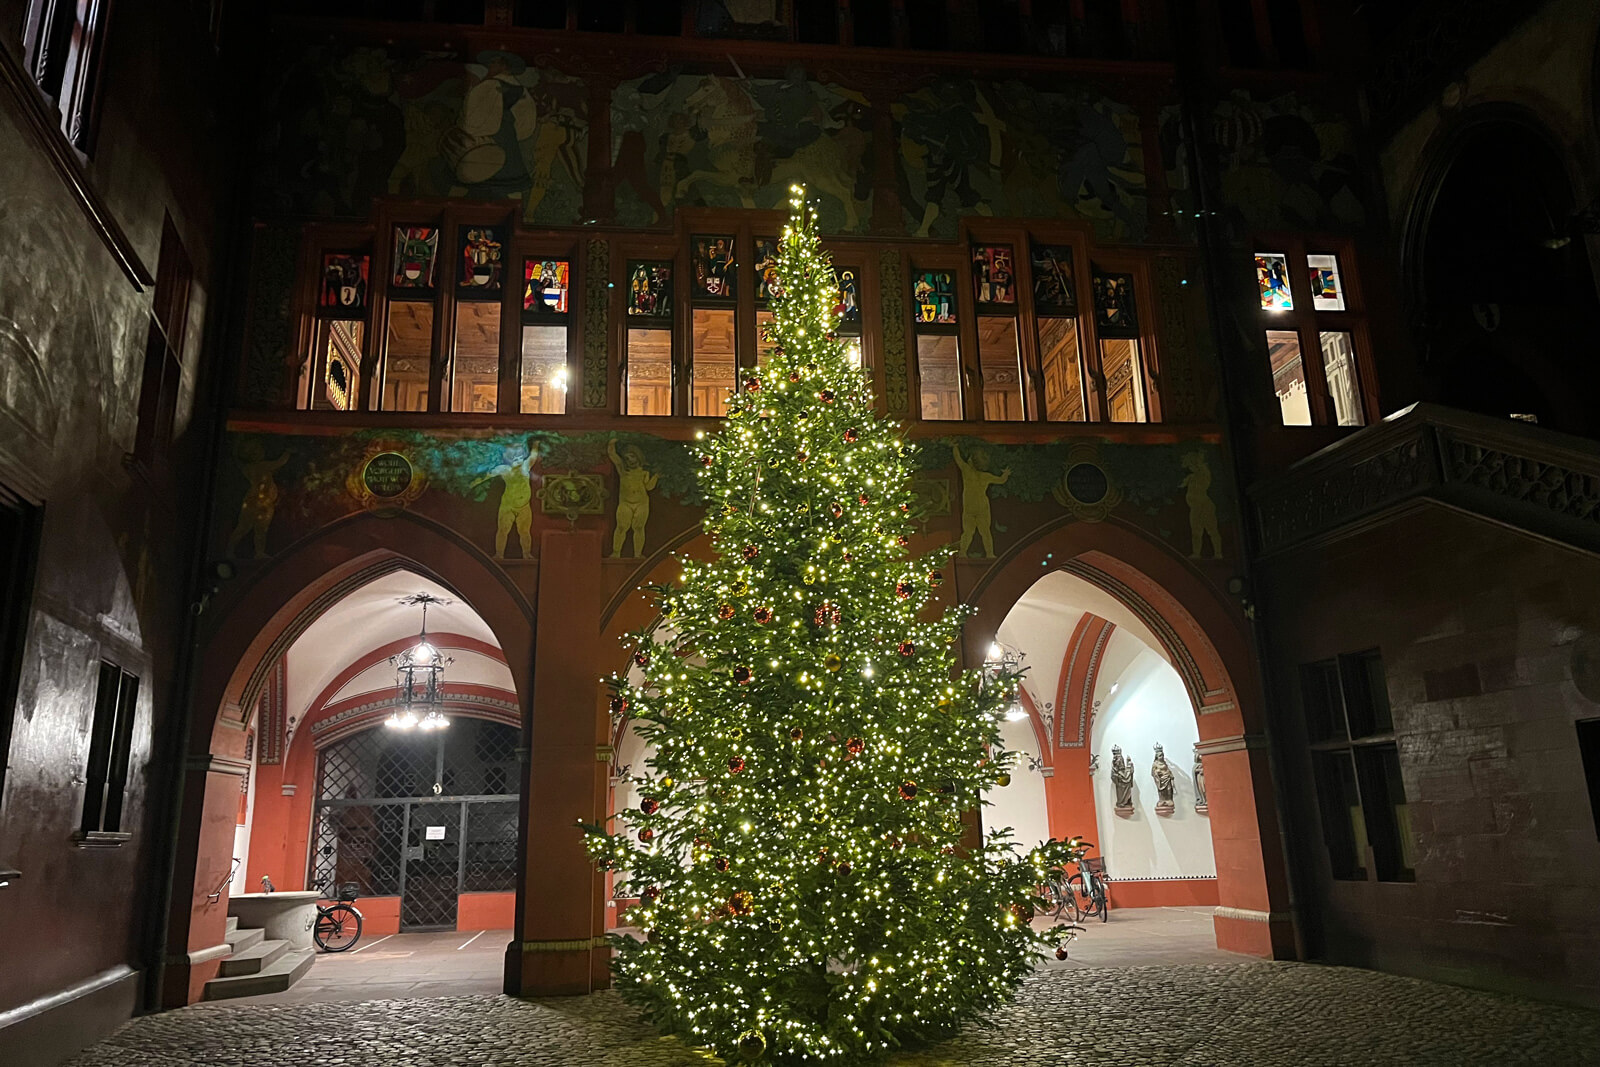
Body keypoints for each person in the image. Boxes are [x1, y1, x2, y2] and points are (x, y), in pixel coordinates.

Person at [471, 440, 538, 559]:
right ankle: (499, 554)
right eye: (514, 456)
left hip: (524, 506)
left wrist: (536, 444)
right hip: (508, 505)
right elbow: (485, 476)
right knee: (502, 530)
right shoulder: (504, 470)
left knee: (524, 532)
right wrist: (471, 484)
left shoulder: (525, 466)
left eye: (520, 455)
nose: (518, 458)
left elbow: (534, 455)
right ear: (508, 458)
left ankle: (526, 554)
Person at [952, 444, 1009, 558]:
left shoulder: (967, 471)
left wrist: (955, 446)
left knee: (968, 532)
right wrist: (1006, 473)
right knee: (985, 532)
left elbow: (958, 458)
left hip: (970, 507)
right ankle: (989, 554)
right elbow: (1001, 480)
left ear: (971, 461)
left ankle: (963, 552)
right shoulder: (985, 476)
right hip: (982, 506)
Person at [608, 436, 659, 558]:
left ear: (638, 457)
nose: (630, 460)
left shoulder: (644, 473)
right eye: (627, 458)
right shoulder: (623, 471)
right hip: (625, 502)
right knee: (621, 527)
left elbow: (649, 487)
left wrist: (656, 476)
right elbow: (613, 456)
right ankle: (616, 552)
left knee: (639, 528)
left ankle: (637, 554)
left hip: (641, 503)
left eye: (632, 457)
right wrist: (611, 443)